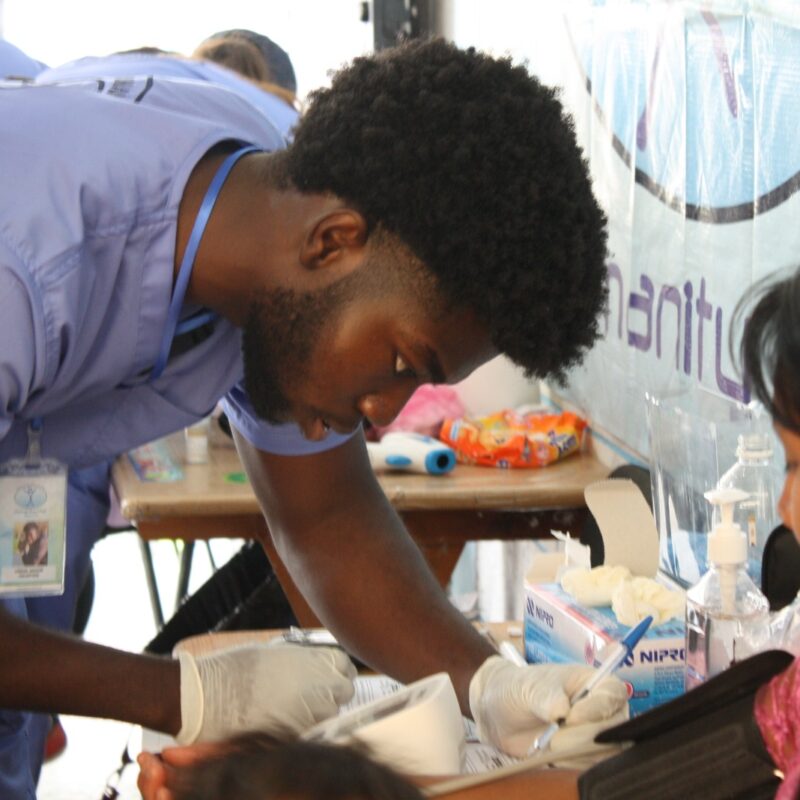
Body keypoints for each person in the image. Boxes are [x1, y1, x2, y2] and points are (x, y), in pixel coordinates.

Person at [0, 37, 625, 799]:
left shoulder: (283, 198)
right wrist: (182, 695)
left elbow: (328, 518)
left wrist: (483, 682)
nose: (381, 416)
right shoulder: (27, 258)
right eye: (402, 364)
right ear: (334, 242)